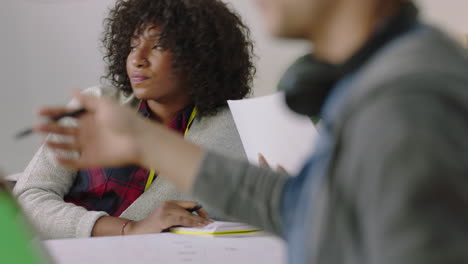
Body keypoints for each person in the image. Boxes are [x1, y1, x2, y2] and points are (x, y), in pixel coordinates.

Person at [35, 0, 468, 263]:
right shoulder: (365, 84)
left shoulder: (405, 101)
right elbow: (295, 207)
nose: (138, 58)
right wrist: (145, 139)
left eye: (159, 44)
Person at [14, 0, 255, 239]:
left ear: (199, 55)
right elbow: (27, 201)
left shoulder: (233, 130)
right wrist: (128, 228)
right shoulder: (96, 106)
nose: (137, 59)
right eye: (132, 45)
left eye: (158, 46)